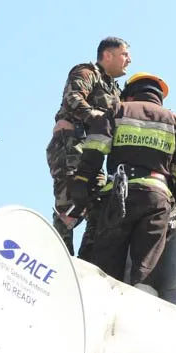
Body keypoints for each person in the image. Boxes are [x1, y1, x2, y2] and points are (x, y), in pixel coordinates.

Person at [71, 72, 176, 287]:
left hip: (120, 197)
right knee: (146, 268)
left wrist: (82, 179)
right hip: (156, 200)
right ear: (159, 98)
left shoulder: (119, 110)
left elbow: (94, 149)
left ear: (129, 95)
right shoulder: (175, 122)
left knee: (106, 269)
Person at [47, 37, 130, 257]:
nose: (128, 60)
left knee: (100, 202)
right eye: (124, 54)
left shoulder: (115, 89)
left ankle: (87, 258)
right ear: (108, 55)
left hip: (94, 153)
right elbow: (74, 98)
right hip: (72, 144)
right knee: (70, 203)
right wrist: (98, 118)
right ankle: (58, 259)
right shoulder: (87, 72)